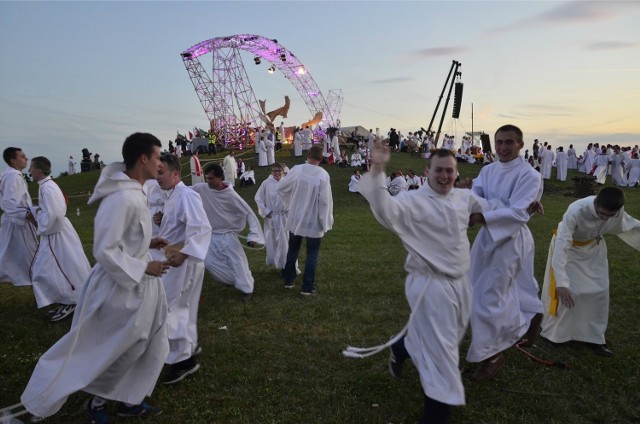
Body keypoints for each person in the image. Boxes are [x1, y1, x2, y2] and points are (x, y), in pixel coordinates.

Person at [21, 132, 171, 422]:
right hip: (121, 287)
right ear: (143, 159)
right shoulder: (121, 197)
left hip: (142, 285)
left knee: (145, 343)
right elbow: (104, 249)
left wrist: (148, 244)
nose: (160, 163)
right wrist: (143, 267)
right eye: (157, 156)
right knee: (114, 346)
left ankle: (128, 398)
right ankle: (97, 401)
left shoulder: (136, 192)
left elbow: (125, 236)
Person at [350, 146, 487, 424]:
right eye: (439, 170)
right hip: (429, 287)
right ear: (427, 173)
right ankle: (436, 416)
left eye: (450, 170)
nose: (445, 175)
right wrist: (377, 169)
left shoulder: (464, 197)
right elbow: (385, 208)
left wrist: (524, 210)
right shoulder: (412, 201)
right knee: (442, 354)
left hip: (460, 286)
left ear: (457, 173)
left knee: (445, 341)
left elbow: (486, 210)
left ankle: (401, 347)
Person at [463, 124, 544, 381]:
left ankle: (492, 356)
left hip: (511, 240)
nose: (502, 148)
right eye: (498, 142)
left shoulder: (529, 175)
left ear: (520, 144)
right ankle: (533, 315)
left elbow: (518, 213)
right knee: (482, 289)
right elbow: (476, 195)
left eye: (509, 142)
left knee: (487, 299)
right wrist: (471, 197)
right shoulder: (488, 170)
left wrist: (481, 214)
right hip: (488, 238)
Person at [541, 187, 640, 356]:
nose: (606, 218)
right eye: (602, 214)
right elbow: (562, 247)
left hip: (593, 249)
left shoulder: (616, 209)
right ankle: (557, 334)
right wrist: (562, 283)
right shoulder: (576, 210)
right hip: (569, 250)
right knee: (572, 292)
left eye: (610, 216)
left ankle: (594, 337)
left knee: (600, 291)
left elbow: (628, 223)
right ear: (596, 203)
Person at [152, 153, 211, 384]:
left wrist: (184, 253)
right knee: (180, 308)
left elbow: (202, 228)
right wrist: (162, 219)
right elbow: (180, 223)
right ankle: (188, 349)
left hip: (183, 261)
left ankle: (183, 361)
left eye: (161, 172)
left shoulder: (187, 195)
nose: (157, 177)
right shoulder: (172, 196)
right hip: (176, 259)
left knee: (172, 308)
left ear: (176, 174)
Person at [28, 156, 91, 322]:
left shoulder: (48, 189)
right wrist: (38, 213)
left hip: (56, 234)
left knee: (50, 270)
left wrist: (38, 218)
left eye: (32, 168)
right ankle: (69, 299)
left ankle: (71, 301)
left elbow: (54, 214)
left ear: (39, 170)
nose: (29, 171)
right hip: (57, 231)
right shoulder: (47, 186)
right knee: (65, 266)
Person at [193, 163, 264, 299]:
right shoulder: (201, 188)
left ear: (220, 178)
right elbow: (185, 193)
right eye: (206, 178)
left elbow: (249, 213)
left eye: (211, 178)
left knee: (237, 261)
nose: (208, 181)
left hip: (227, 234)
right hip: (210, 234)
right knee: (208, 262)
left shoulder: (231, 195)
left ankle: (247, 288)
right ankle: (231, 280)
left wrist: (253, 236)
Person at [277, 145, 333, 295]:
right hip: (313, 219)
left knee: (293, 248)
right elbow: (325, 201)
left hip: (296, 216)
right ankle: (307, 287)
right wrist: (324, 221)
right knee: (312, 252)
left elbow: (281, 187)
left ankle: (288, 280)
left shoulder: (297, 169)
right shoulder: (322, 174)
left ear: (308, 155)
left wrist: (291, 203)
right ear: (321, 159)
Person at [0, 147, 38, 287]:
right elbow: (8, 203)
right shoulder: (12, 177)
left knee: (9, 255)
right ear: (13, 160)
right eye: (22, 156)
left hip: (16, 221)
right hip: (18, 222)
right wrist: (28, 215)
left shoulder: (12, 175)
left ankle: (36, 278)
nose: (26, 159)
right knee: (31, 253)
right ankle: (38, 280)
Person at [254, 163, 289, 270]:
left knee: (285, 241)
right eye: (274, 171)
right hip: (272, 217)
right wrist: (266, 211)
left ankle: (286, 264)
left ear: (283, 171)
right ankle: (276, 262)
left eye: (279, 170)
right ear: (271, 172)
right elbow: (258, 198)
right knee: (273, 240)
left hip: (284, 217)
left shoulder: (287, 182)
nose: (277, 173)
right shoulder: (266, 183)